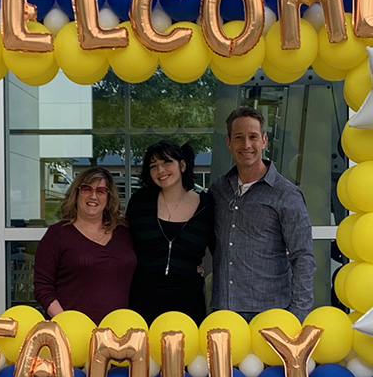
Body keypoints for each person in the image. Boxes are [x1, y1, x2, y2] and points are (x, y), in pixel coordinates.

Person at [209, 106, 316, 322]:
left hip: (270, 313)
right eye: (239, 137)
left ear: (264, 141)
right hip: (223, 311)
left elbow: (303, 257)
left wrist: (298, 314)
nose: (246, 145)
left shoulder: (287, 194)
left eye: (253, 137)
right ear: (228, 142)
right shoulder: (218, 189)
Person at [126, 140, 215, 326]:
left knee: (187, 353)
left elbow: (219, 248)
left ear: (182, 165)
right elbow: (125, 244)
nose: (160, 170)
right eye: (153, 166)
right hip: (144, 296)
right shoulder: (140, 202)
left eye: (166, 162)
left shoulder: (207, 206)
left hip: (188, 297)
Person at [34, 167, 137, 324]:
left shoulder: (124, 233)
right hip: (73, 333)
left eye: (101, 191)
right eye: (86, 189)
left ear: (109, 197)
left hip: (119, 334)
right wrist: (65, 321)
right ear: (76, 193)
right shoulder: (58, 234)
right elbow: (43, 287)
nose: (93, 196)